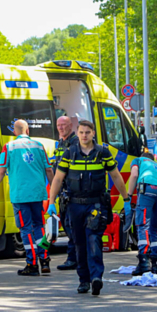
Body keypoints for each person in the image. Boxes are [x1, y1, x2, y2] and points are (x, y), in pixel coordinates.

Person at [47, 120, 130, 296]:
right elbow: (58, 178)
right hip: (75, 205)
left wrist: (126, 199)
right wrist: (51, 202)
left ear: (93, 133)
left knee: (94, 240)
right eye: (82, 132)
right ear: (77, 133)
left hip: (96, 203)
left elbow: (115, 176)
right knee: (79, 243)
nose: (84, 135)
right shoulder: (70, 153)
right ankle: (83, 280)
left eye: (87, 132)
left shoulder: (102, 153)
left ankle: (96, 278)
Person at [0, 119, 54, 276]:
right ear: (28, 131)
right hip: (38, 194)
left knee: (25, 229)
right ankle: (44, 259)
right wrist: (54, 190)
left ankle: (31, 264)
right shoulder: (39, 146)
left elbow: (2, 170)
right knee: (39, 227)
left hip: (20, 195)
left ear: (14, 132)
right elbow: (49, 170)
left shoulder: (9, 147)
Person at [124, 151, 157, 276]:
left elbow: (134, 175)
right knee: (155, 228)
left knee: (142, 225)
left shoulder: (139, 160)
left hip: (147, 189)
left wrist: (128, 197)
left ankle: (144, 262)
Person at [52, 115, 80, 271]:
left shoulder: (75, 143)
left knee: (71, 226)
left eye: (64, 125)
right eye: (58, 125)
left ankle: (73, 258)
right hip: (62, 192)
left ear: (71, 126)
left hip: (71, 192)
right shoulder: (62, 143)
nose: (61, 128)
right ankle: (75, 257)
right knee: (67, 225)